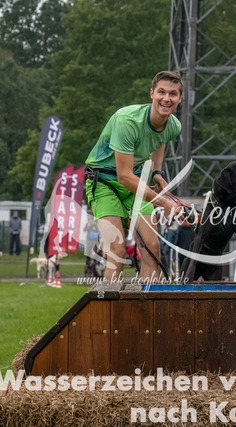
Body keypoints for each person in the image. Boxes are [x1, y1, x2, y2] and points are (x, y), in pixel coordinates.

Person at [85, 71, 185, 283]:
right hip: (104, 181)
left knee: (152, 249)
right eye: (162, 92)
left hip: (136, 181)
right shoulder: (127, 121)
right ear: (152, 93)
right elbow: (124, 177)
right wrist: (164, 203)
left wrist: (157, 172)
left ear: (180, 98)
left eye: (173, 94)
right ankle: (110, 303)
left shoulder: (174, 125)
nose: (167, 98)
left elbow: (160, 139)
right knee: (117, 250)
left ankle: (146, 301)